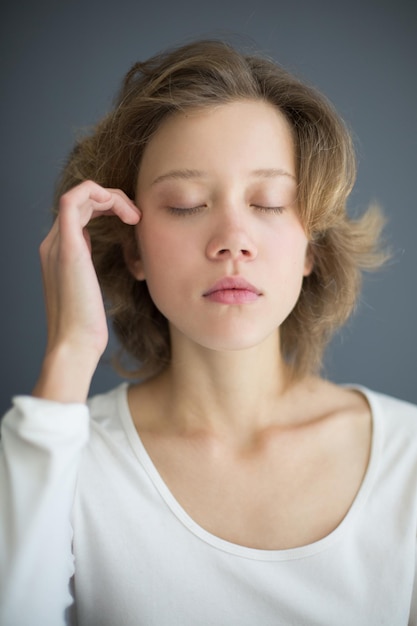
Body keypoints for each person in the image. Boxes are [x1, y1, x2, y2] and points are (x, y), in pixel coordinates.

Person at [0, 38, 416, 626]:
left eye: (269, 202)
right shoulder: (58, 456)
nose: (232, 239)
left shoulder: (408, 456)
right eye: (187, 203)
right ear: (134, 249)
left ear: (312, 247)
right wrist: (70, 353)